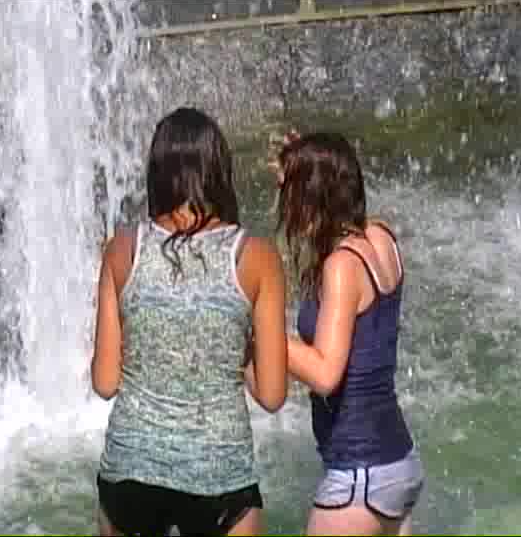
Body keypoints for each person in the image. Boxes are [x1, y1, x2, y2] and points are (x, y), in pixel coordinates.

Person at [91, 107, 288, 536]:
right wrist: (234, 348)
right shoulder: (257, 258)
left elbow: (105, 383)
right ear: (219, 170)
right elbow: (273, 395)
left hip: (131, 469)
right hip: (220, 472)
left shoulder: (121, 250)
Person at [271, 131, 424, 536]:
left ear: (313, 196)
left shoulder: (341, 266)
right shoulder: (381, 238)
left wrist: (262, 333)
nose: (286, 208)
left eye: (291, 195)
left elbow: (325, 373)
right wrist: (304, 160)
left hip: (360, 477)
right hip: (398, 465)